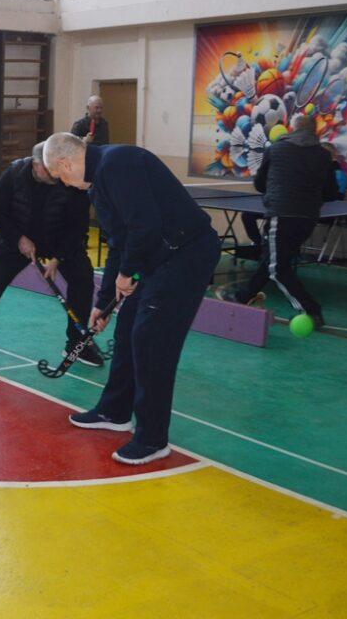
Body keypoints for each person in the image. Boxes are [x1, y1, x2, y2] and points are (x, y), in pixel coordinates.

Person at [44, 133, 220, 465]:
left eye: (61, 177)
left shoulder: (118, 163)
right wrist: (105, 299)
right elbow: (119, 242)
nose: (65, 184)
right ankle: (114, 412)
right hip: (158, 257)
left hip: (186, 256)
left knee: (151, 339)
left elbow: (144, 225)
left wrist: (128, 273)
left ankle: (153, 439)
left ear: (65, 163)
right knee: (126, 331)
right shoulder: (100, 181)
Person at [0, 142, 103, 367]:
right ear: (35, 165)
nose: (55, 173)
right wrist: (19, 239)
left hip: (59, 241)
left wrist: (58, 258)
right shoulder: (14, 174)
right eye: (48, 168)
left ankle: (77, 344)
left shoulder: (68, 179)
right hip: (16, 239)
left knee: (82, 277)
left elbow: (78, 226)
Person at [215, 113, 338, 327]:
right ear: (313, 131)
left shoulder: (277, 149)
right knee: (274, 260)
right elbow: (330, 192)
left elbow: (260, 184)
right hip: (307, 219)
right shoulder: (323, 155)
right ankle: (244, 296)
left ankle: (311, 309)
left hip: (282, 214)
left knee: (276, 268)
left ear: (293, 128)